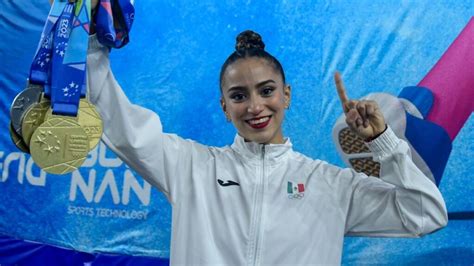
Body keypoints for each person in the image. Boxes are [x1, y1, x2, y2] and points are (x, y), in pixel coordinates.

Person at [86, 16, 447, 266]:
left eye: (267, 91)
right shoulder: (190, 167)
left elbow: (425, 214)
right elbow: (120, 125)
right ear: (224, 107)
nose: (255, 106)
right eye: (239, 96)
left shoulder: (332, 186)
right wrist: (91, 48)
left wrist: (384, 142)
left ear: (286, 95)